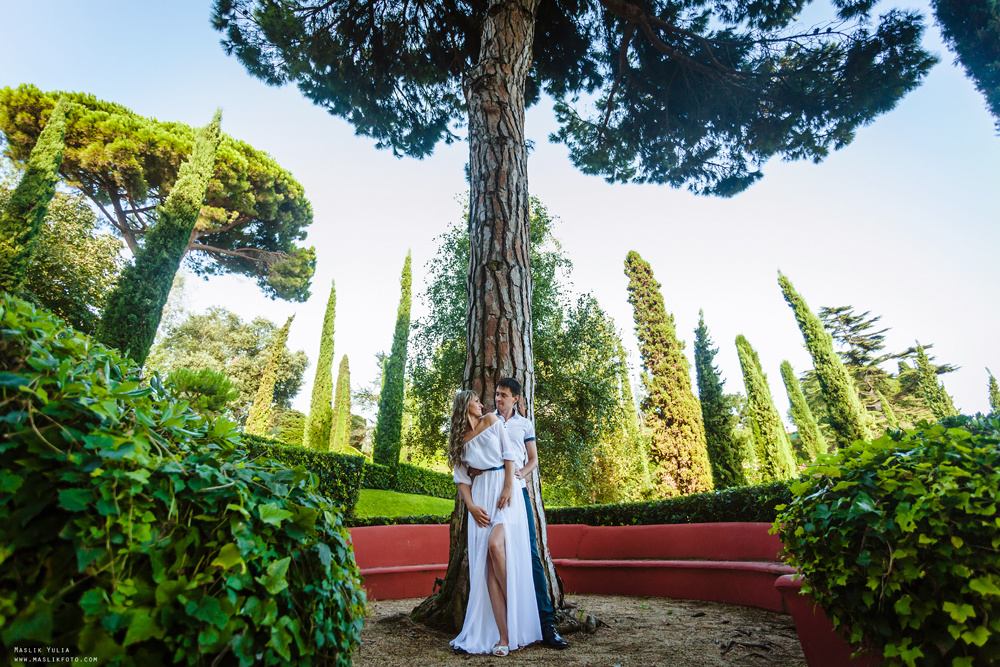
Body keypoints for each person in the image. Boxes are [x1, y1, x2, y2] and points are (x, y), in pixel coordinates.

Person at [470, 377, 569, 649]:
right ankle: (497, 623)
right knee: (491, 550)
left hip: (517, 492)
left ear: (516, 399)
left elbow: (534, 459)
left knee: (531, 552)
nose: (497, 399)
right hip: (490, 493)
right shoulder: (487, 420)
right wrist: (475, 470)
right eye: (497, 394)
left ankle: (547, 625)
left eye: (503, 395)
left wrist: (518, 477)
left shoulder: (524, 424)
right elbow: (473, 451)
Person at [448, 390, 542, 656]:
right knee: (487, 567)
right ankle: (503, 637)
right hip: (480, 499)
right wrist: (471, 507)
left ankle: (518, 606)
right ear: (465, 404)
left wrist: (508, 487)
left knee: (496, 545)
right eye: (476, 400)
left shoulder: (492, 420)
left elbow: (509, 455)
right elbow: (462, 480)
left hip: (504, 490)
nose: (482, 404)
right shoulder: (459, 440)